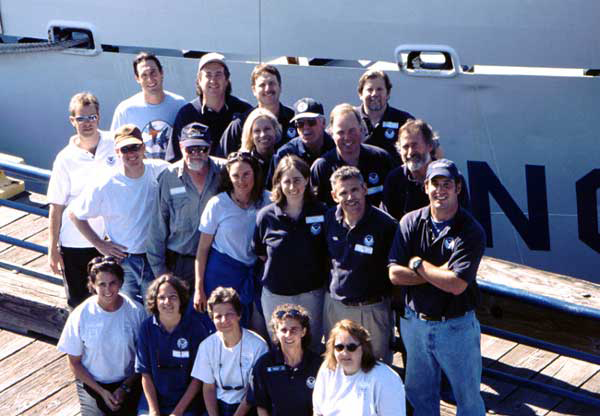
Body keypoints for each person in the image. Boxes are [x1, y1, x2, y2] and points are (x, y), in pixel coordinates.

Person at [388, 158, 486, 415]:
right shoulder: (410, 222)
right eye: (435, 184)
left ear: (458, 188)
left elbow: (456, 285)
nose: (440, 190)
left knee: (468, 399)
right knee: (419, 395)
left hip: (456, 327)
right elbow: (395, 274)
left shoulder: (471, 230)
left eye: (447, 184)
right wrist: (437, 272)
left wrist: (419, 264)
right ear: (425, 187)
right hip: (415, 324)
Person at [69, 125, 169, 302]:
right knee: (124, 310)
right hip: (124, 262)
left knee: (154, 312)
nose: (131, 154)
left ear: (144, 147)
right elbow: (75, 214)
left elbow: (189, 167)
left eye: (135, 147)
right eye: (125, 149)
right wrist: (99, 244)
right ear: (117, 152)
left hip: (156, 258)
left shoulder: (160, 170)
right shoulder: (105, 183)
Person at [47, 92, 117, 309]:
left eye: (91, 117)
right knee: (79, 305)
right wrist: (52, 248)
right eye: (81, 118)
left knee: (113, 301)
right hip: (75, 244)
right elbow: (56, 207)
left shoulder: (115, 143)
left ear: (99, 117)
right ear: (72, 121)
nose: (87, 123)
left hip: (113, 240)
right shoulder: (64, 158)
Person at [322, 166, 396, 363]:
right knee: (339, 367)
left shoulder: (385, 225)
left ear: (364, 189)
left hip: (371, 310)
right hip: (336, 307)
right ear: (334, 195)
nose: (350, 197)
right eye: (343, 192)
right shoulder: (330, 217)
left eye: (354, 190)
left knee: (375, 367)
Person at [253, 155, 327, 350]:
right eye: (287, 181)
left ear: (307, 181)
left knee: (310, 346)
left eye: (297, 180)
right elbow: (261, 254)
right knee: (281, 346)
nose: (293, 186)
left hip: (312, 295)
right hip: (276, 296)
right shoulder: (266, 216)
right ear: (278, 183)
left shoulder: (321, 212)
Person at [57, 256, 146, 415]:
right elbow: (74, 362)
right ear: (92, 285)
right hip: (93, 384)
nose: (108, 290)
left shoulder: (136, 312)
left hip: (130, 382)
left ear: (120, 282)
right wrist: (101, 392)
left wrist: (125, 387)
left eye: (112, 283)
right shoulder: (80, 315)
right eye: (102, 284)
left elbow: (144, 358)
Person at [193, 151, 270, 329]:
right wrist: (199, 289)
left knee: (256, 326)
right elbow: (202, 249)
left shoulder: (268, 200)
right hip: (221, 273)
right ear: (229, 176)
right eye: (236, 175)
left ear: (255, 174)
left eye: (246, 174)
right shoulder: (217, 204)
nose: (241, 180)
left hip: (256, 272)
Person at [146, 122, 225, 284]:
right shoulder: (168, 177)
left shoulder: (226, 172)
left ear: (210, 147)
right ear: (181, 147)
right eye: (190, 149)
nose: (195, 154)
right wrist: (161, 274)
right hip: (180, 263)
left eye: (201, 149)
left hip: (217, 260)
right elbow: (157, 227)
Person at [136, 274, 212, 416]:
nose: (167, 302)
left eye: (173, 297)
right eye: (161, 297)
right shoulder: (146, 328)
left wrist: (177, 412)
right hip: (154, 401)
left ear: (181, 299)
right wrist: (153, 411)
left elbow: (199, 377)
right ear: (155, 300)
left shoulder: (195, 328)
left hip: (187, 403)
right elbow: (145, 373)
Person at [191, 287, 268, 416]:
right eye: (218, 316)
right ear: (212, 319)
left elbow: (254, 390)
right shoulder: (206, 346)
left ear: (239, 315)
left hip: (248, 407)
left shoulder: (258, 346)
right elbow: (208, 388)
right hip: (218, 405)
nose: (224, 320)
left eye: (229, 314)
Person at [167, 53, 252, 161]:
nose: (213, 80)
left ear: (226, 80)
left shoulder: (243, 111)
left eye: (218, 74)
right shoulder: (187, 114)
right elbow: (173, 158)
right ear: (199, 80)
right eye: (208, 75)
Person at [312, 319, 406, 416]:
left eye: (351, 347)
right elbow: (318, 412)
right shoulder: (327, 370)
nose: (344, 353)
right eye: (339, 347)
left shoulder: (386, 378)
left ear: (364, 348)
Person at [382, 119, 468, 221]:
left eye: (415, 145)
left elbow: (464, 220)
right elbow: (387, 223)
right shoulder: (394, 179)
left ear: (430, 146)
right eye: (405, 147)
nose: (410, 153)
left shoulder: (451, 177)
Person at [310, 103, 393, 207]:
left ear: (361, 128)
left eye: (352, 131)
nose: (347, 137)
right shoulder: (321, 168)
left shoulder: (381, 158)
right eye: (340, 132)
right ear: (331, 133)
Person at [111, 52, 186, 160]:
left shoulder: (180, 104)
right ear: (137, 78)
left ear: (162, 72)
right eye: (144, 75)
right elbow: (114, 149)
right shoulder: (125, 110)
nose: (150, 79)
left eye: (153, 72)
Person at [250, 304, 322, 416]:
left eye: (294, 329)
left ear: (303, 332)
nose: (288, 335)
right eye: (283, 330)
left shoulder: (318, 364)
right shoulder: (264, 365)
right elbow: (261, 406)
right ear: (276, 333)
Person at [219, 64, 296, 157]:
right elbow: (222, 161)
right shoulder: (240, 124)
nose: (267, 89)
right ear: (254, 90)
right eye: (262, 85)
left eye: (272, 83)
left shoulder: (294, 120)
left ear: (280, 87)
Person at [267, 98, 335, 184]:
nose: (306, 127)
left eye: (311, 122)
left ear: (323, 123)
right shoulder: (284, 154)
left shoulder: (336, 147)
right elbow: (272, 191)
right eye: (300, 123)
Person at [356, 69, 414, 165]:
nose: (374, 94)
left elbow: (430, 149)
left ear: (388, 93)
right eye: (370, 89)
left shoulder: (404, 120)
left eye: (379, 89)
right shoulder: (350, 118)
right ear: (360, 94)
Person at [240, 108, 281, 181]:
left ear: (275, 130)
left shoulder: (285, 157)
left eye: (267, 129)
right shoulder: (245, 164)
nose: (263, 135)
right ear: (250, 136)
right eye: (257, 131)